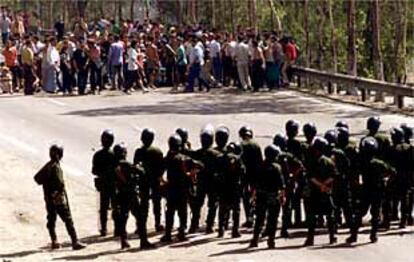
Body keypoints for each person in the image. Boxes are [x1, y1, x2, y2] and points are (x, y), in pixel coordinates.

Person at [33, 145, 86, 250]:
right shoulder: (56, 167)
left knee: (51, 219)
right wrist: (58, 192)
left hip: (48, 198)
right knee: (68, 219)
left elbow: (37, 178)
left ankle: (54, 241)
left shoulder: (48, 166)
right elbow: (60, 183)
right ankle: (75, 242)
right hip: (57, 198)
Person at [347, 137, 395, 244]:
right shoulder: (378, 163)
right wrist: (386, 180)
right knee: (375, 213)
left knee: (359, 213)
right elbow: (392, 171)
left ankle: (354, 235)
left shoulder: (360, 162)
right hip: (377, 190)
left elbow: (354, 174)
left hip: (365, 190)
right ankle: (373, 235)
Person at [161, 135, 201, 242]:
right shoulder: (184, 158)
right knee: (182, 211)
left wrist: (164, 182)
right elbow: (199, 165)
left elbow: (160, 173)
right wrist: (191, 173)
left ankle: (168, 234)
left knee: (170, 211)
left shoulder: (167, 158)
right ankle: (182, 232)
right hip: (182, 189)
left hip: (171, 188)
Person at [113, 143, 154, 249]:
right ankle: (143, 241)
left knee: (123, 217)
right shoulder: (126, 164)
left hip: (120, 194)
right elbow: (141, 171)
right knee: (140, 217)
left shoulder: (113, 165)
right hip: (130, 194)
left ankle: (124, 240)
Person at [249, 145, 285, 249]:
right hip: (273, 196)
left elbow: (255, 184)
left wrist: (253, 195)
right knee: (272, 219)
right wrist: (282, 196)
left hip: (261, 195)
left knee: (259, 219)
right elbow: (281, 184)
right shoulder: (277, 167)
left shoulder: (259, 166)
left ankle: (255, 240)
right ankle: (271, 241)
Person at [304, 137, 337, 246]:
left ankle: (310, 238)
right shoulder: (329, 162)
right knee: (330, 215)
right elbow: (333, 176)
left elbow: (310, 177)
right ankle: (332, 237)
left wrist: (319, 185)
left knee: (312, 215)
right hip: (326, 191)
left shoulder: (311, 161)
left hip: (314, 191)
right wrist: (324, 185)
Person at [133, 128, 165, 232]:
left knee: (143, 204)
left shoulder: (139, 151)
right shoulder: (157, 151)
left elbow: (135, 167)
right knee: (157, 202)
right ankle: (158, 223)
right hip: (155, 180)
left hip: (143, 181)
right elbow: (161, 167)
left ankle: (141, 225)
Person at [190, 128, 221, 233]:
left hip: (201, 182)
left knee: (197, 204)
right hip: (213, 182)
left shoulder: (197, 153)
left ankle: (194, 225)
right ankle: (209, 225)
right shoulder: (217, 154)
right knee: (213, 204)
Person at [92, 130, 119, 237]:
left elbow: (94, 171)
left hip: (103, 184)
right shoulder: (114, 155)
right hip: (113, 184)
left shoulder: (97, 155)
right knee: (115, 206)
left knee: (103, 207)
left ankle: (103, 229)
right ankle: (117, 228)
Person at [217, 142, 245, 238]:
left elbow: (216, 172)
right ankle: (235, 230)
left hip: (222, 186)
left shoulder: (220, 158)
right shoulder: (237, 159)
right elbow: (242, 171)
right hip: (234, 187)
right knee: (236, 210)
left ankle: (221, 229)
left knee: (222, 208)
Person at [239, 126, 263, 228]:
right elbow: (260, 161)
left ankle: (249, 217)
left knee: (245, 196)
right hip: (256, 174)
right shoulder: (256, 145)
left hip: (244, 175)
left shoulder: (241, 146)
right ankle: (257, 216)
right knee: (256, 195)